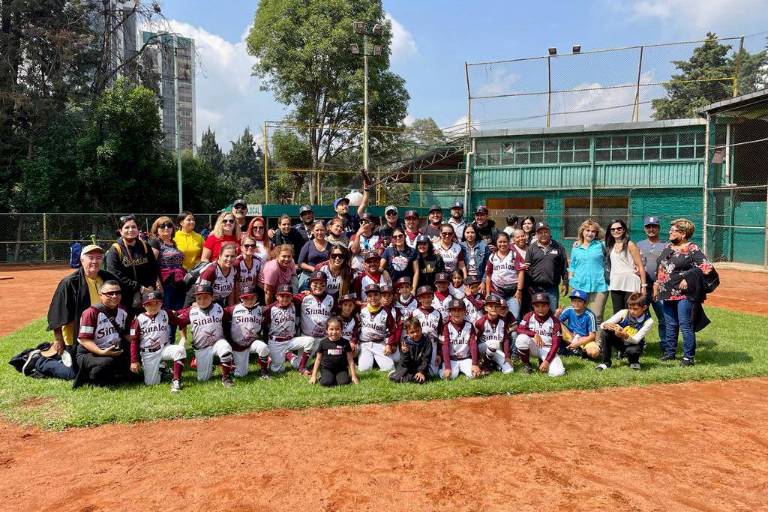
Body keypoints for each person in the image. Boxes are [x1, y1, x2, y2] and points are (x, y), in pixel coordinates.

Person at [45, 244, 117, 370]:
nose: (95, 261)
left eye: (99, 257)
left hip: (102, 335)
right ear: (81, 260)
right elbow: (57, 311)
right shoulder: (70, 283)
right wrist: (58, 339)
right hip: (78, 338)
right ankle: (39, 362)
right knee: (76, 372)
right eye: (90, 257)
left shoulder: (107, 278)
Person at [654, 218, 714, 367]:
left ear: (683, 233)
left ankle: (688, 357)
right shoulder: (668, 247)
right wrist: (656, 285)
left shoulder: (691, 248)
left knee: (685, 324)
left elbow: (707, 267)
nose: (669, 232)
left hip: (684, 294)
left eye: (673, 230)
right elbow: (661, 268)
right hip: (666, 292)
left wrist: (689, 278)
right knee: (670, 324)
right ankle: (670, 353)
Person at [72, 280, 132, 388]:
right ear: (100, 295)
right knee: (106, 363)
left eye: (118, 292)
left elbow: (125, 334)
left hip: (113, 351)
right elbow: (85, 340)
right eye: (110, 293)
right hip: (89, 353)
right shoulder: (91, 313)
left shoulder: (123, 311)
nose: (114, 296)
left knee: (131, 365)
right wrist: (102, 352)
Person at [176, 283, 235, 386]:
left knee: (225, 348)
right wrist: (183, 337)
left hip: (217, 343)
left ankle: (226, 378)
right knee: (203, 379)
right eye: (199, 298)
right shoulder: (191, 311)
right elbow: (179, 320)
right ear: (195, 299)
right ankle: (209, 367)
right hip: (201, 347)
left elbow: (229, 316)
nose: (202, 301)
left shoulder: (218, 308)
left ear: (212, 297)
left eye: (206, 297)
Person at [128, 290, 186, 392]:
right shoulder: (139, 319)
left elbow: (180, 320)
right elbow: (134, 341)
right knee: (151, 383)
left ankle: (176, 380)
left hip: (164, 348)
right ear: (144, 305)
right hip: (148, 353)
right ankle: (161, 369)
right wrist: (134, 360)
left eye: (157, 303)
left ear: (161, 303)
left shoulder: (165, 313)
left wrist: (193, 311)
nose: (153, 307)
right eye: (149, 304)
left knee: (179, 350)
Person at [105, 214, 159, 312]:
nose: (131, 230)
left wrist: (151, 285)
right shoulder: (115, 249)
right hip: (125, 296)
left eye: (134, 227)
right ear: (120, 231)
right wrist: (138, 287)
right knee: (126, 325)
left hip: (146, 294)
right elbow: (115, 274)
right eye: (127, 227)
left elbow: (153, 268)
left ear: (138, 230)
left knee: (145, 324)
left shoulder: (145, 246)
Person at [261, 284, 314, 375]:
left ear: (292, 297)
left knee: (309, 340)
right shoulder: (270, 309)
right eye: (282, 296)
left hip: (290, 340)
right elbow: (263, 326)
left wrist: (309, 293)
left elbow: (302, 295)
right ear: (276, 296)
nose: (285, 299)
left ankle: (301, 367)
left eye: (288, 296)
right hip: (276, 342)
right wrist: (267, 344)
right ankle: (277, 357)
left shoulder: (294, 304)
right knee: (277, 370)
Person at [516, 221, 568, 312]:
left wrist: (565, 282)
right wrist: (529, 287)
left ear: (549, 232)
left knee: (552, 313)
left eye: (545, 232)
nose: (543, 235)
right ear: (536, 234)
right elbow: (527, 269)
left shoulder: (559, 247)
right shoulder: (531, 248)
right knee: (535, 314)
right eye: (540, 233)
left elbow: (563, 267)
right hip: (535, 288)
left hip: (552, 289)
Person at [595, 292, 654, 371]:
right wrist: (606, 325)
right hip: (621, 343)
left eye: (635, 309)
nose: (632, 311)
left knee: (633, 350)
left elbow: (636, 340)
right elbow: (602, 324)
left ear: (644, 308)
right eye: (630, 308)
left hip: (635, 346)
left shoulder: (648, 321)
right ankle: (606, 362)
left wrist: (624, 335)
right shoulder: (624, 312)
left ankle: (634, 361)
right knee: (605, 332)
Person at [567, 219, 609, 322]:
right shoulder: (576, 248)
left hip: (599, 285)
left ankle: (598, 338)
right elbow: (572, 266)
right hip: (579, 285)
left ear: (596, 233)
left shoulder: (602, 245)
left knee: (597, 316)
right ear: (582, 231)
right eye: (587, 230)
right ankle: (581, 337)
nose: (590, 233)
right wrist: (571, 279)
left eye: (593, 231)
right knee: (578, 315)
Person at [224, 285, 270, 379]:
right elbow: (217, 312)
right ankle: (232, 364)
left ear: (256, 297)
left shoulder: (260, 310)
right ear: (240, 298)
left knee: (263, 347)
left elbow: (275, 305)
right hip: (238, 346)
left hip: (253, 343)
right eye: (245, 298)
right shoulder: (233, 309)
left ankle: (264, 371)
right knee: (241, 374)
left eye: (252, 298)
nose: (249, 300)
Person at [515, 292, 565, 377]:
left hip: (547, 349)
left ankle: (543, 361)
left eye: (544, 306)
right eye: (537, 306)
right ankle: (527, 365)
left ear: (549, 306)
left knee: (558, 373)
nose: (540, 309)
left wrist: (547, 361)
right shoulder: (529, 316)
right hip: (533, 346)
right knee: (521, 339)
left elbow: (556, 344)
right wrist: (534, 334)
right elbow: (519, 329)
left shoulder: (555, 321)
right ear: (533, 306)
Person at [636, 215, 667, 343]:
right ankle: (639, 344)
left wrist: (659, 284)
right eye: (648, 226)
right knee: (640, 317)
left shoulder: (666, 245)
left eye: (654, 226)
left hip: (660, 287)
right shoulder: (638, 245)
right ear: (644, 228)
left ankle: (665, 345)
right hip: (643, 287)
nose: (651, 229)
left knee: (664, 318)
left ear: (658, 228)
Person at [148, 216, 186, 322]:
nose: (166, 228)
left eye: (169, 225)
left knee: (177, 312)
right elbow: (152, 265)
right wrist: (157, 283)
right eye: (162, 226)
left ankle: (173, 338)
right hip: (165, 283)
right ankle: (167, 338)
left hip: (178, 282)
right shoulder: (155, 243)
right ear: (156, 229)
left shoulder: (173, 243)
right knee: (166, 313)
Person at [606, 218, 646, 312]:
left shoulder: (630, 244)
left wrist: (643, 286)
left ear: (623, 229)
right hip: (616, 283)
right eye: (613, 229)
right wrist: (579, 242)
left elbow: (640, 266)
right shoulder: (610, 245)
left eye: (619, 228)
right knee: (617, 313)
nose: (616, 231)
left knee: (630, 312)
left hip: (630, 282)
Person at [357, 284, 399, 372]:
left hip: (380, 343)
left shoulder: (386, 312)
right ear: (367, 298)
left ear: (380, 296)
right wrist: (354, 341)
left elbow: (392, 330)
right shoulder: (362, 309)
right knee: (364, 369)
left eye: (375, 295)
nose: (373, 298)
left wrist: (389, 344)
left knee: (389, 368)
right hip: (365, 344)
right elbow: (356, 326)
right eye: (369, 296)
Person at [309, 317, 359, 387]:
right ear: (327, 330)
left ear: (341, 330)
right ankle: (324, 376)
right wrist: (313, 376)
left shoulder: (345, 342)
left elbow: (350, 360)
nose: (334, 332)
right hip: (327, 368)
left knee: (344, 382)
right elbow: (318, 359)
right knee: (326, 383)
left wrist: (354, 376)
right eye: (331, 329)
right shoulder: (323, 342)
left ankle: (338, 377)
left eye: (337, 329)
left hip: (341, 369)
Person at [485, 231, 525, 318]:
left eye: (505, 242)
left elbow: (521, 272)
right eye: (500, 242)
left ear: (509, 242)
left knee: (514, 315)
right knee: (498, 315)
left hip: (513, 292)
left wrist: (519, 290)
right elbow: (488, 275)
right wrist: (488, 293)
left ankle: (513, 331)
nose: (502, 244)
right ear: (496, 243)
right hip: (497, 291)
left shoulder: (514, 255)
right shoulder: (492, 256)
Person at [440, 299, 481, 380]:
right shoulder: (446, 326)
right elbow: (445, 347)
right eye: (454, 310)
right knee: (450, 376)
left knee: (474, 375)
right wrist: (447, 367)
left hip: (465, 358)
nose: (457, 313)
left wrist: (475, 364)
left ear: (465, 312)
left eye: (460, 310)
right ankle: (442, 370)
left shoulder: (469, 326)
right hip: (452, 359)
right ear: (450, 312)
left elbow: (473, 345)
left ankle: (464, 369)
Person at [294, 271, 335, 352]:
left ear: (326, 285)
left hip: (324, 338)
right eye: (315, 283)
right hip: (307, 338)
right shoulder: (304, 297)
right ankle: (290, 356)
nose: (318, 286)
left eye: (322, 283)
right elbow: (286, 299)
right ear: (309, 285)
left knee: (330, 361)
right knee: (299, 364)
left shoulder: (331, 298)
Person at [474, 294, 513, 374]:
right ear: (485, 308)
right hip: (482, 348)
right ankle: (486, 365)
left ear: (499, 308)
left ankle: (494, 365)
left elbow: (506, 339)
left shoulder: (503, 321)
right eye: (491, 306)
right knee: (493, 343)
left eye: (496, 306)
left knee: (509, 370)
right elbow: (474, 341)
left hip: (496, 350)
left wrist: (507, 356)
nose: (494, 308)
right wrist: (477, 358)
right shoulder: (480, 322)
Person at [411, 285, 444, 376]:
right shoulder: (415, 313)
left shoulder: (437, 314)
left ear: (432, 297)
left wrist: (439, 354)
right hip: (418, 344)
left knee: (434, 373)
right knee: (415, 368)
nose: (426, 300)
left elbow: (441, 335)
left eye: (429, 297)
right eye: (423, 297)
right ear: (419, 299)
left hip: (433, 344)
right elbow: (409, 331)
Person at [389, 317, 432, 384]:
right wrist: (405, 352)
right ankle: (396, 375)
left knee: (421, 379)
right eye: (412, 332)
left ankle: (407, 378)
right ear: (407, 333)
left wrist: (421, 371)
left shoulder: (427, 341)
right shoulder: (405, 342)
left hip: (420, 368)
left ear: (421, 329)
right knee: (396, 378)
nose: (415, 334)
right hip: (407, 368)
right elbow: (404, 363)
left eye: (417, 331)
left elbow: (426, 359)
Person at [558, 289, 599, 359]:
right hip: (570, 337)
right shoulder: (569, 309)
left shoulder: (590, 315)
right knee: (557, 323)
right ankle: (571, 349)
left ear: (585, 303)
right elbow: (555, 322)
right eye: (574, 301)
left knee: (594, 353)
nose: (576, 303)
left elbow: (592, 336)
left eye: (579, 301)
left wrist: (578, 343)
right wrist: (556, 315)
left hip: (584, 340)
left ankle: (580, 351)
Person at [195, 243, 238, 307]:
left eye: (232, 256)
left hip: (220, 300)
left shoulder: (233, 269)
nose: (229, 259)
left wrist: (231, 308)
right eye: (226, 256)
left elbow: (231, 291)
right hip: (201, 301)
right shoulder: (211, 270)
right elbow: (202, 294)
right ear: (220, 256)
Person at [297, 221, 330, 291]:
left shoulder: (331, 246)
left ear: (326, 231)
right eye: (317, 230)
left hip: (324, 278)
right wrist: (313, 269)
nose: (320, 232)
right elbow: (300, 263)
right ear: (312, 231)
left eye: (322, 230)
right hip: (308, 276)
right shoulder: (308, 245)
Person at [236, 236, 264, 303]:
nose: (250, 248)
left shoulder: (258, 261)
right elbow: (235, 285)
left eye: (253, 245)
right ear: (241, 248)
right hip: (239, 295)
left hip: (252, 294)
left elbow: (258, 281)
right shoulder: (237, 262)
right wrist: (237, 302)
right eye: (246, 246)